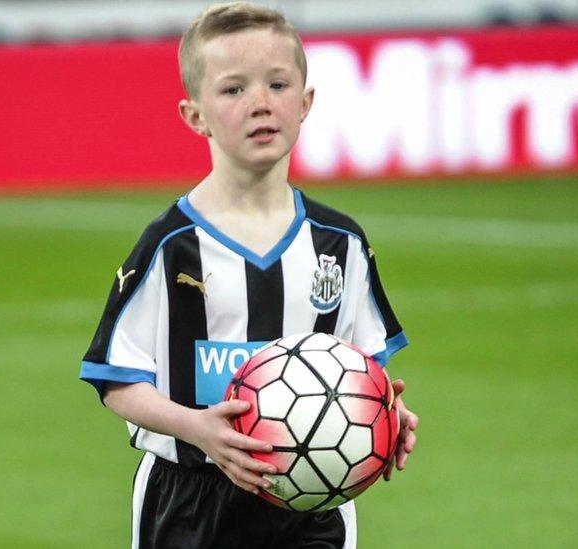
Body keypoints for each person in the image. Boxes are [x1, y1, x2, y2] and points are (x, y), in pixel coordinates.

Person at [80, 3, 418, 547]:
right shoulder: (171, 246)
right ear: (196, 116)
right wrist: (197, 429)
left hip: (311, 502)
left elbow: (361, 368)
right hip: (191, 498)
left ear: (306, 102)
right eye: (234, 90)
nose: (261, 103)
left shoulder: (341, 244)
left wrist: (385, 414)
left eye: (278, 84)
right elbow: (116, 378)